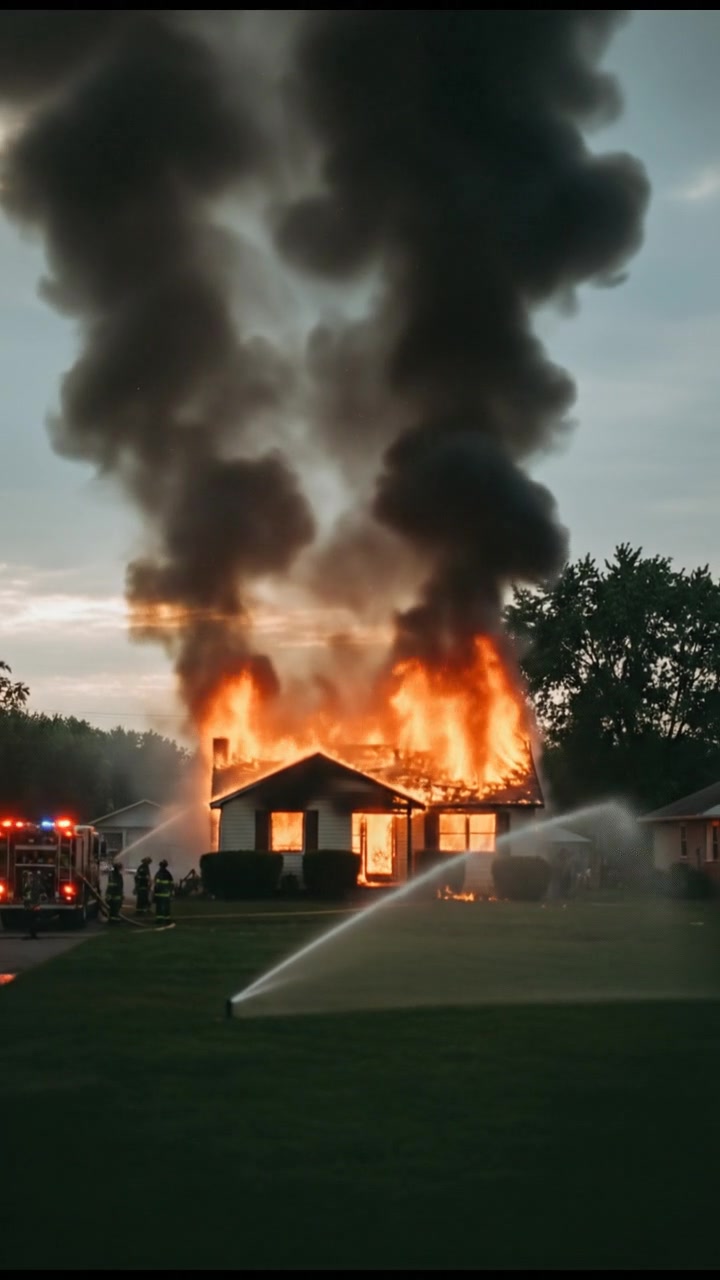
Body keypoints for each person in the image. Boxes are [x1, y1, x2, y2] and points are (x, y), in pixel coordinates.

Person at [22, 869, 43, 940]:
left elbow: (36, 895)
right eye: (29, 877)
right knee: (31, 921)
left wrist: (35, 905)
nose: (30, 878)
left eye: (31, 877)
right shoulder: (27, 885)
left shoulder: (34, 885)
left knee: (33, 920)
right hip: (30, 906)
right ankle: (32, 934)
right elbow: (25, 895)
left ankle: (33, 934)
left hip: (33, 906)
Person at [153, 859, 174, 926]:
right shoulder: (168, 874)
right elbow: (171, 885)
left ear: (160, 865)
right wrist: (171, 893)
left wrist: (155, 894)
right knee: (167, 907)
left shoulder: (158, 873)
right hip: (166, 894)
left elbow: (157, 885)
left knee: (159, 907)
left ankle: (159, 920)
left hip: (159, 894)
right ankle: (167, 920)